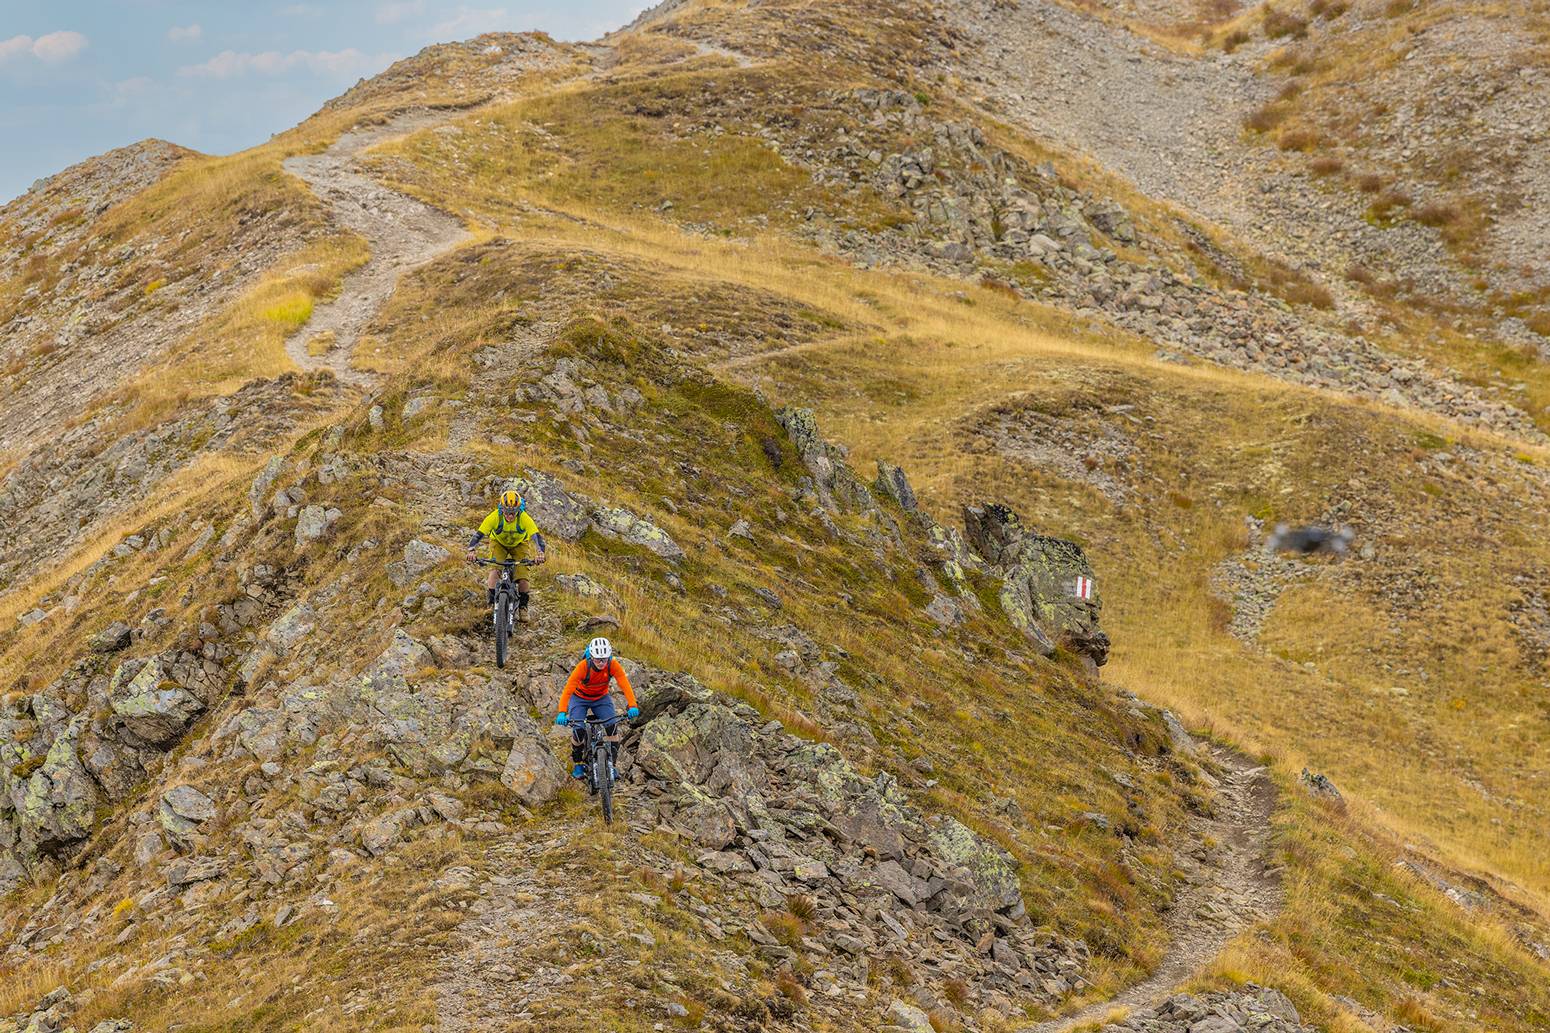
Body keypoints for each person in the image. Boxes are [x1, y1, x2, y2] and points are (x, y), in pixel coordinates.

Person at [555, 637, 640, 779]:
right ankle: (578, 763)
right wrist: (562, 712)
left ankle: (611, 765)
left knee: (612, 726)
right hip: (579, 699)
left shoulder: (612, 665)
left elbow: (624, 684)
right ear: (591, 657)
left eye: (604, 659)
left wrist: (633, 705)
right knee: (578, 730)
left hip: (601, 698)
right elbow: (568, 690)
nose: (601, 663)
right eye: (598, 659)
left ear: (609, 657)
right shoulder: (583, 667)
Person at [466, 489, 547, 624]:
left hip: (519, 544)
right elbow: (479, 534)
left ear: (518, 510)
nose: (510, 516)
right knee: (495, 570)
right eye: (507, 512)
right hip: (498, 543)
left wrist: (540, 553)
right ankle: (491, 604)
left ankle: (523, 607)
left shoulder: (524, 518)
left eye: (513, 512)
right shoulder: (494, 517)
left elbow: (536, 536)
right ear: (501, 509)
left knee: (522, 576)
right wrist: (471, 550)